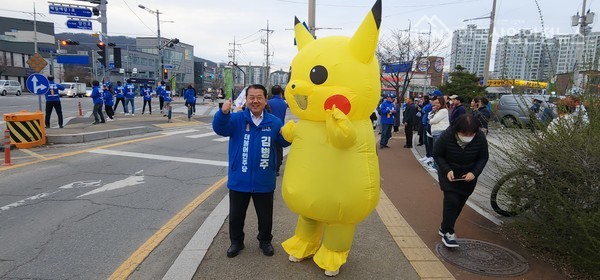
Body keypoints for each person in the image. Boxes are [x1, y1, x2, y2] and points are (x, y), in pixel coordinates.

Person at [212, 84, 290, 258]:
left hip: (264, 179)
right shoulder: (236, 119)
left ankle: (265, 241)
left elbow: (284, 142)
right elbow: (220, 129)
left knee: (265, 216)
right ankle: (236, 242)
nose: (255, 101)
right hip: (239, 178)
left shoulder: (274, 122)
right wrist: (223, 113)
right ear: (246, 100)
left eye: (259, 97)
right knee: (236, 216)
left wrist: (291, 133)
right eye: (251, 97)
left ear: (265, 100)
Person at [433, 114, 489, 248]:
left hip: (468, 176)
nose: (468, 136)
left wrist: (474, 173)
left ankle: (444, 226)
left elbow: (483, 158)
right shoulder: (447, 135)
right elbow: (437, 154)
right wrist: (446, 170)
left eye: (471, 133)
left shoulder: (480, 137)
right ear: (457, 129)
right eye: (465, 133)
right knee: (451, 201)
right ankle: (449, 233)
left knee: (459, 204)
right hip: (449, 175)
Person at [266, 85, 288, 175]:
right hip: (280, 129)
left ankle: (269, 166)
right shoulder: (284, 103)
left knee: (268, 148)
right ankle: (277, 168)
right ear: (281, 93)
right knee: (279, 149)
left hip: (268, 128)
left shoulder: (268, 102)